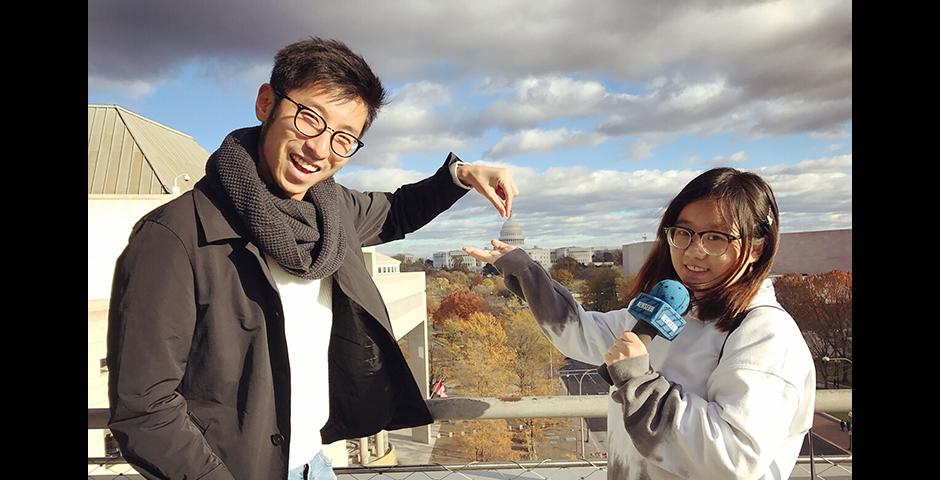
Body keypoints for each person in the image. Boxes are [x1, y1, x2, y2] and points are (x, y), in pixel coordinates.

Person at [107, 37, 519, 480]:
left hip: (316, 465)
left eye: (344, 139)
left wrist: (460, 175)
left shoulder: (331, 211)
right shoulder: (174, 237)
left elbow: (396, 212)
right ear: (266, 102)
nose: (320, 149)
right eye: (310, 119)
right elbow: (144, 409)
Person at [465, 167, 815, 479]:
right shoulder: (669, 308)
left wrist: (640, 382)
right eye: (684, 233)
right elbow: (580, 333)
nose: (693, 251)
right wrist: (525, 272)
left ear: (756, 248)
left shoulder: (764, 335)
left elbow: (733, 461)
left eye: (716, 237)